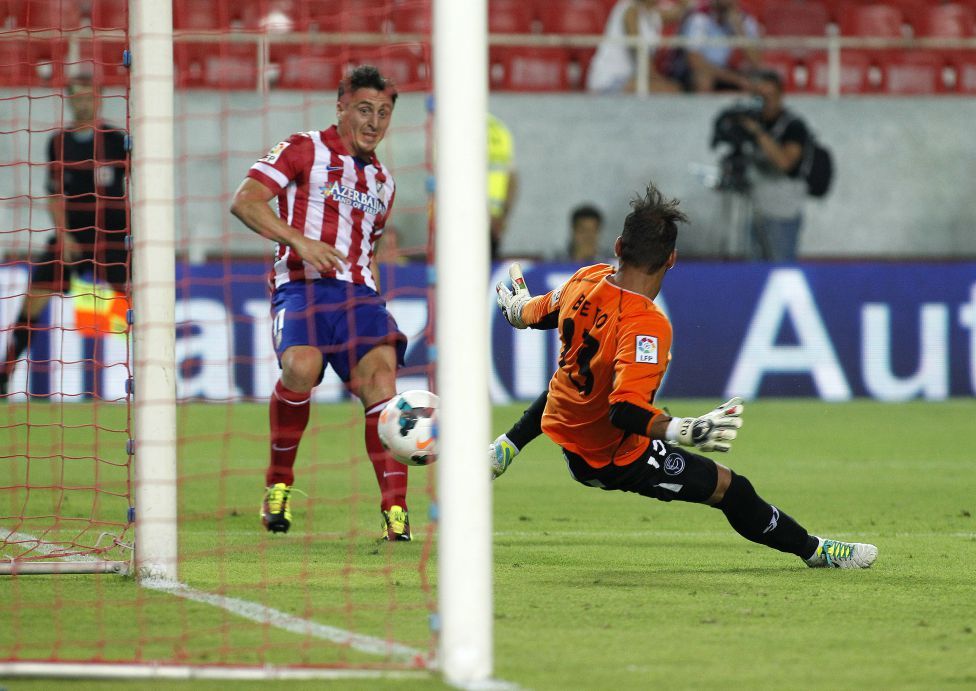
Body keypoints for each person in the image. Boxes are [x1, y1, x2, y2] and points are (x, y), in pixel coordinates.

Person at [490, 182, 877, 569]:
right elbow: (623, 411)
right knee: (731, 488)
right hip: (610, 459)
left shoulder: (586, 278)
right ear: (671, 259)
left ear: (619, 247)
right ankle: (815, 551)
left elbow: (536, 313)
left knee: (577, 372)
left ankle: (506, 447)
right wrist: (685, 430)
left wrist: (516, 310)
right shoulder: (646, 325)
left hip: (566, 425)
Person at [230, 65, 412, 541]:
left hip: (359, 296)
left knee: (381, 381)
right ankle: (278, 485)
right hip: (301, 287)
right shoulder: (302, 147)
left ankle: (396, 512)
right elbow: (246, 201)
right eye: (364, 110)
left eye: (384, 113)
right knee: (301, 368)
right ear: (341, 107)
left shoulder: (385, 184)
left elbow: (363, 250)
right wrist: (300, 242)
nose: (374, 123)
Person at [0, 73, 129, 396]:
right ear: (70, 100)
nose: (83, 101)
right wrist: (64, 235)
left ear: (98, 98)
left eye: (89, 95)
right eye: (77, 96)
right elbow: (54, 194)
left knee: (135, 304)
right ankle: (5, 375)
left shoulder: (117, 139)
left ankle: (157, 372)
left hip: (113, 238)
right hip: (72, 237)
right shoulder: (59, 142)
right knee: (33, 301)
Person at [738, 69, 810, 261]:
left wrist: (758, 132)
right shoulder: (752, 123)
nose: (765, 102)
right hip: (754, 209)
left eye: (770, 95)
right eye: (760, 96)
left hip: (782, 212)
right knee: (753, 272)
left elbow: (785, 162)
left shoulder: (793, 126)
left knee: (780, 267)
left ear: (780, 96)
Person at [586, 0, 686, 93]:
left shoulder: (652, 15)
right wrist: (661, 81)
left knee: (673, 89)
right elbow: (640, 57)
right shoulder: (630, 10)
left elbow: (680, 12)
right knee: (669, 90)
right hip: (609, 80)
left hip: (630, 79)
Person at [668, 0, 761, 93]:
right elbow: (694, 61)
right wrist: (735, 79)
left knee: (758, 82)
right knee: (703, 78)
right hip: (696, 71)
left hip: (727, 70)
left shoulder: (745, 19)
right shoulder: (699, 17)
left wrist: (740, 31)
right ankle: (702, 107)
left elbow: (756, 63)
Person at [488, 113, 518, 260]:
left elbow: (511, 177)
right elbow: (512, 177)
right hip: (493, 218)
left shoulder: (448, 129)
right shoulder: (498, 129)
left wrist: (502, 217)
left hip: (491, 223)